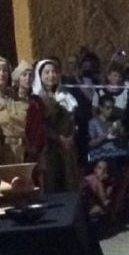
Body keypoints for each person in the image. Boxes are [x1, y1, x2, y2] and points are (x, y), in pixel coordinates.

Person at [32, 59, 80, 192]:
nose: (51, 75)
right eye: (46, 72)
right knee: (52, 183)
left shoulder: (66, 95)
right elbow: (40, 125)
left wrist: (71, 136)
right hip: (49, 148)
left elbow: (72, 120)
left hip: (67, 147)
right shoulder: (37, 98)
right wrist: (59, 138)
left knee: (69, 181)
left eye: (53, 72)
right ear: (40, 75)